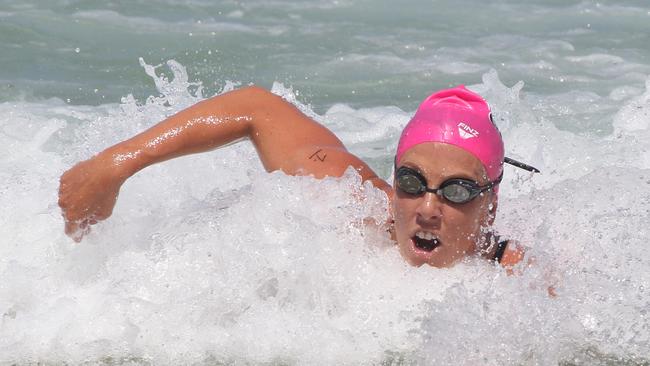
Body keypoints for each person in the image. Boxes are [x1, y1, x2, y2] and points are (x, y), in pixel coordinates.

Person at [58, 85, 539, 268]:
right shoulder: (353, 205)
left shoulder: (514, 275)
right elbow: (256, 107)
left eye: (456, 191)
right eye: (412, 183)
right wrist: (115, 164)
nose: (428, 208)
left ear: (490, 204)